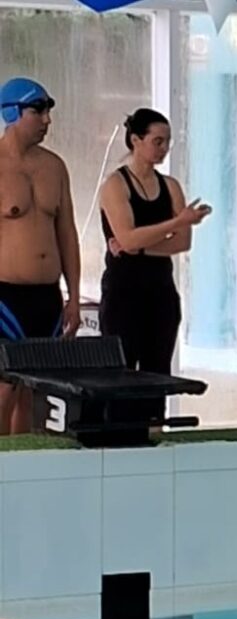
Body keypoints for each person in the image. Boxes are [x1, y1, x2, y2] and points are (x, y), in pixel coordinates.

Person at [99, 108, 211, 424]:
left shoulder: (171, 186)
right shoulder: (116, 185)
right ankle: (117, 436)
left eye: (167, 142)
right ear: (136, 140)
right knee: (120, 371)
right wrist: (175, 222)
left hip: (160, 292)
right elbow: (131, 236)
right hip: (123, 293)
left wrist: (138, 245)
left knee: (156, 371)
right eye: (157, 141)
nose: (163, 149)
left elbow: (181, 243)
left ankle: (153, 432)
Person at [0, 77, 82, 435]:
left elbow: (67, 234)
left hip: (47, 298)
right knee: (3, 391)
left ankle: (25, 475)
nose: (47, 119)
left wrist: (75, 296)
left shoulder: (55, 167)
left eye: (49, 110)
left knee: (35, 395)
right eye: (39, 110)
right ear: (12, 113)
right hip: (4, 298)